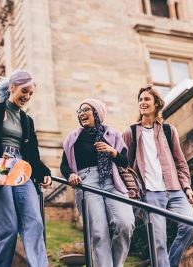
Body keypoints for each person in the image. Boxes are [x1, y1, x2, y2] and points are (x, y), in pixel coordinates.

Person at [0, 70, 52, 267]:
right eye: (24, 91)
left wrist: (44, 173)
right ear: (12, 87)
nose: (27, 97)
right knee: (7, 227)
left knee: (35, 222)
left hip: (21, 169)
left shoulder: (27, 121)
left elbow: (33, 155)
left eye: (31, 94)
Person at [122, 85, 193, 267]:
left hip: (175, 189)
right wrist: (133, 193)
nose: (142, 102)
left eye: (146, 99)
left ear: (156, 103)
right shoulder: (130, 132)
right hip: (150, 194)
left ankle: (171, 264)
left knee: (190, 228)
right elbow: (123, 167)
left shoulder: (168, 130)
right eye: (140, 99)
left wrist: (187, 187)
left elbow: (180, 163)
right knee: (158, 242)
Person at [60, 98, 135, 267]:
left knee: (125, 223)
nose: (82, 113)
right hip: (86, 183)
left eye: (86, 109)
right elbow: (64, 165)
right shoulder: (73, 138)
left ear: (97, 113)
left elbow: (125, 162)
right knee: (99, 232)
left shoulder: (113, 135)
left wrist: (112, 151)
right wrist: (71, 175)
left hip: (112, 182)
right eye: (79, 111)